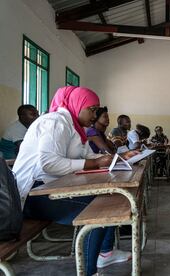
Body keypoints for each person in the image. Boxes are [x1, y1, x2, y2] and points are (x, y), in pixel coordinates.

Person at [13, 86, 137, 276]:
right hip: (32, 193)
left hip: (52, 188)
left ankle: (105, 253)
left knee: (112, 198)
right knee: (101, 210)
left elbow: (86, 156)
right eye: (92, 109)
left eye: (96, 110)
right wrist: (94, 162)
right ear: (77, 105)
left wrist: (121, 158)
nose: (95, 116)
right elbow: (49, 164)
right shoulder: (56, 122)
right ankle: (89, 271)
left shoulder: (76, 127)